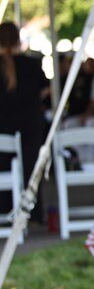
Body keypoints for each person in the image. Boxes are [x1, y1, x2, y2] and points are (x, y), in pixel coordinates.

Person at [0, 22, 49, 223]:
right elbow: (46, 90)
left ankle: (5, 209)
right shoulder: (32, 64)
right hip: (29, 125)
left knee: (3, 171)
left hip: (3, 127)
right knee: (31, 171)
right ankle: (34, 213)